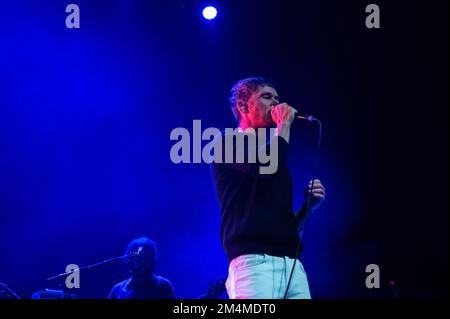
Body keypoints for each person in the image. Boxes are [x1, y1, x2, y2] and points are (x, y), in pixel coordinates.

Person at [210, 77, 326, 299]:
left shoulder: (275, 157)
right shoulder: (226, 143)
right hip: (254, 264)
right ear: (243, 106)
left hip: (293, 265)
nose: (275, 103)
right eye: (266, 96)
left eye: (277, 98)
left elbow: (287, 225)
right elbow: (263, 166)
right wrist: (283, 126)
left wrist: (308, 208)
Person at [108, 237, 175, 299]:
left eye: (148, 257)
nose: (144, 262)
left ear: (153, 260)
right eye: (139, 257)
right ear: (130, 259)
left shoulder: (163, 285)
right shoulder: (118, 290)